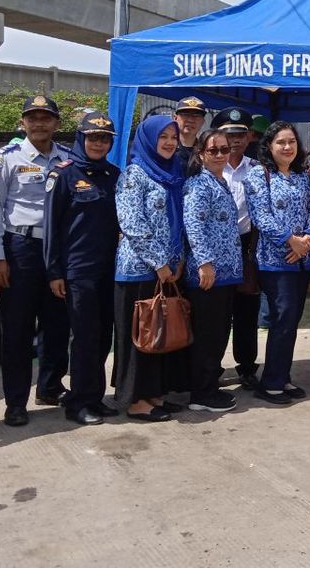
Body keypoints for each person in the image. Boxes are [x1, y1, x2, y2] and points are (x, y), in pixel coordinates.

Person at [0, 95, 72, 427]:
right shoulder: (5, 159)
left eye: (46, 117)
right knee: (18, 329)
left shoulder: (66, 159)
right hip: (20, 248)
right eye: (32, 118)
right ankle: (16, 402)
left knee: (58, 324)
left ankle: (50, 386)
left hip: (57, 251)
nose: (39, 123)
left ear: (56, 124)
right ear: (23, 123)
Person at [43, 112, 121, 426]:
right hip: (78, 271)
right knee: (85, 338)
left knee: (103, 337)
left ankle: (94, 397)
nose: (98, 144)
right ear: (81, 138)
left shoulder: (114, 174)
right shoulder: (62, 174)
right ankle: (78, 402)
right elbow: (51, 227)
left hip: (109, 270)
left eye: (104, 139)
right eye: (93, 138)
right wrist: (54, 272)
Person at [113, 116, 189, 422]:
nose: (170, 142)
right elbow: (132, 223)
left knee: (161, 333)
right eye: (163, 137)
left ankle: (155, 394)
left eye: (173, 136)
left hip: (169, 268)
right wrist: (159, 263)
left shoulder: (173, 173)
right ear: (148, 140)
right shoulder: (135, 174)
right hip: (138, 269)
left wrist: (178, 258)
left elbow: (178, 222)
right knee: (140, 336)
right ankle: (136, 401)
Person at [245, 121, 310, 405]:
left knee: (291, 321)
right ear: (269, 146)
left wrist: (306, 239)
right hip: (275, 261)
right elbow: (261, 216)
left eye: (291, 142)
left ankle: (283, 377)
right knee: (282, 318)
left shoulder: (301, 176)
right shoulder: (258, 175)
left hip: (302, 260)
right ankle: (271, 383)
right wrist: (290, 240)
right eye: (281, 143)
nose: (287, 147)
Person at [182, 129, 244, 413]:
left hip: (226, 271)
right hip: (207, 272)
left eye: (224, 149)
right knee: (208, 334)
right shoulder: (199, 184)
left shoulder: (221, 182)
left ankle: (208, 387)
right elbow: (193, 225)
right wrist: (205, 262)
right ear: (201, 154)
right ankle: (202, 393)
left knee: (219, 332)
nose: (220, 154)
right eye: (213, 150)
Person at [211, 107, 264, 391]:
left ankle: (247, 367)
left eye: (241, 134)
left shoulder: (257, 169)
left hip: (246, 246)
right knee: (217, 313)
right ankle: (212, 368)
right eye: (229, 134)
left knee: (247, 310)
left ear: (250, 137)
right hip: (215, 247)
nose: (235, 140)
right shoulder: (205, 166)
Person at [173, 96, 208, 170]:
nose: (191, 120)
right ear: (175, 118)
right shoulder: (167, 147)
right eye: (185, 114)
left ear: (203, 122)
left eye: (197, 115)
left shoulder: (205, 151)